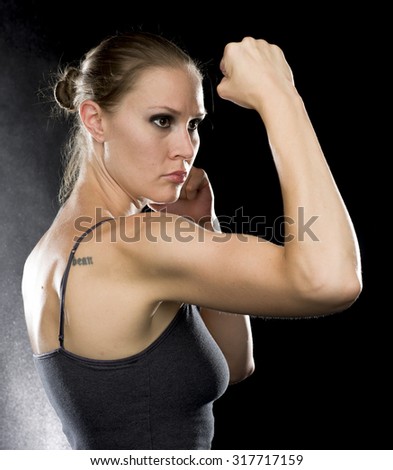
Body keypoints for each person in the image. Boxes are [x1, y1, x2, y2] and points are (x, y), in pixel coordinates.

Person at [21, 30, 362, 450]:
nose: (187, 148)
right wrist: (281, 98)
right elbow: (333, 281)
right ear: (95, 119)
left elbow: (234, 363)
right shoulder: (134, 241)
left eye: (193, 124)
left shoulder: (49, 253)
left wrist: (203, 229)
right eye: (162, 121)